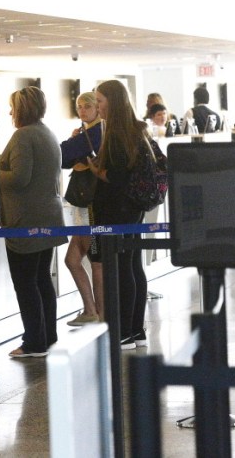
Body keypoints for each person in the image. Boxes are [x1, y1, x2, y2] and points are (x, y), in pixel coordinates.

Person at [0, 86, 68, 357]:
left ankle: (34, 341)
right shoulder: (47, 133)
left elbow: (18, 177)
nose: (10, 113)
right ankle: (47, 335)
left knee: (26, 282)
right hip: (48, 216)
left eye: (13, 108)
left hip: (25, 219)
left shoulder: (22, 136)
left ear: (22, 109)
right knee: (41, 279)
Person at [87, 80, 149, 351]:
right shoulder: (135, 129)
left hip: (118, 209)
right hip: (133, 208)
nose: (97, 105)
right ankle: (136, 329)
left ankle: (123, 331)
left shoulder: (117, 133)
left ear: (111, 101)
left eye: (99, 100)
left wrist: (96, 170)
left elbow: (119, 175)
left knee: (123, 269)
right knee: (133, 265)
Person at [60, 91, 103, 326]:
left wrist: (72, 143)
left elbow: (63, 154)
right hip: (81, 205)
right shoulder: (86, 134)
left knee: (96, 261)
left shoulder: (96, 133)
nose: (83, 110)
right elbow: (67, 158)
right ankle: (91, 310)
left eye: (87, 106)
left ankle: (100, 313)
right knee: (73, 259)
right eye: (79, 106)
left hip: (90, 207)